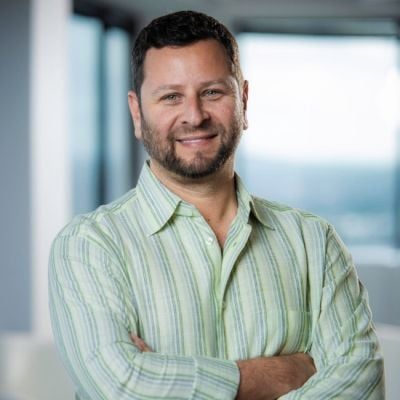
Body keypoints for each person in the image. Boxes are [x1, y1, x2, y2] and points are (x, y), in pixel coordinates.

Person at [49, 10, 384, 399]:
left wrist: (165, 377)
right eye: (171, 96)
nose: (194, 115)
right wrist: (283, 374)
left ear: (243, 100)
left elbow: (362, 384)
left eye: (212, 92)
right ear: (137, 113)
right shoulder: (88, 247)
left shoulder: (314, 243)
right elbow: (123, 387)